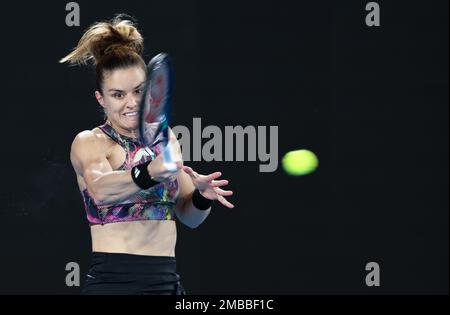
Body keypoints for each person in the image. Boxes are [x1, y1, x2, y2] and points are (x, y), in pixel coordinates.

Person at [60, 15, 234, 295]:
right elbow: (101, 190)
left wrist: (202, 197)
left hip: (167, 284)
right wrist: (151, 171)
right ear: (100, 99)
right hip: (113, 285)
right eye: (118, 95)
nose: (131, 103)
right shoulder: (90, 142)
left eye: (139, 91)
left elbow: (189, 217)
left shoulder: (165, 139)